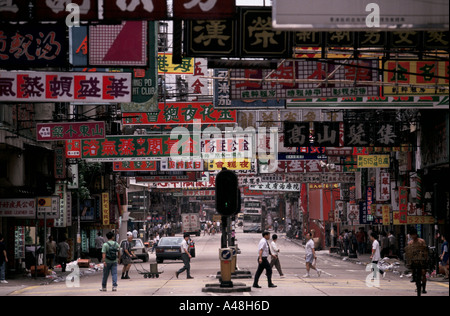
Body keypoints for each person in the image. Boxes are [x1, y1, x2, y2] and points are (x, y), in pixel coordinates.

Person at [407, 228, 427, 294]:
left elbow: (425, 251)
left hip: (422, 261)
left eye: (413, 235)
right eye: (411, 235)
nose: (413, 236)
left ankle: (423, 288)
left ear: (416, 234)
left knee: (423, 274)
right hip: (414, 262)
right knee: (415, 275)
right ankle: (416, 283)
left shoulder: (421, 241)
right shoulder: (410, 243)